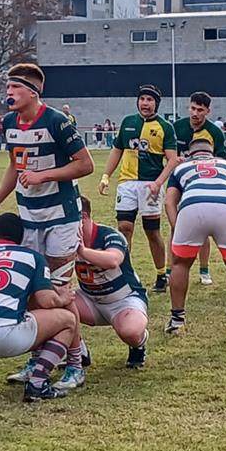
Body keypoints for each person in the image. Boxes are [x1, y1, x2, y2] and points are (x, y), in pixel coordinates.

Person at [0, 213, 82, 402]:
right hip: (6, 337)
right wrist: (63, 298)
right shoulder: (31, 256)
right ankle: (38, 383)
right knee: (68, 321)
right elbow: (46, 301)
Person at [0, 63, 95, 289]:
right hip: (28, 214)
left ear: (33, 92)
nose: (9, 92)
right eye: (7, 87)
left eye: (15, 86)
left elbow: (86, 165)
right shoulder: (8, 123)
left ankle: (67, 325)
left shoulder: (56, 121)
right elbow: (15, 166)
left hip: (61, 214)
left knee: (59, 286)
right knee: (34, 285)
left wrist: (43, 176)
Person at [163, 139, 226, 337]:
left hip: (192, 207)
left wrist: (176, 225)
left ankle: (176, 320)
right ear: (212, 153)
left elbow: (169, 201)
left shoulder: (182, 168)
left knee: (181, 264)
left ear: (191, 154)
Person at [98, 83, 179, 293]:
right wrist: (106, 176)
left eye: (150, 100)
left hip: (150, 184)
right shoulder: (128, 123)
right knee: (125, 228)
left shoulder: (165, 127)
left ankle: (161, 274)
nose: (145, 103)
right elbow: (117, 151)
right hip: (126, 184)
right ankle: (126, 274)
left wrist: (158, 183)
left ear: (156, 104)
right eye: (142, 99)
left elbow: (172, 160)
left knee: (152, 231)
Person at [72, 196, 151, 370]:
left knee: (130, 332)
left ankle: (138, 343)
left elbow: (113, 260)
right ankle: (78, 351)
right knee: (55, 303)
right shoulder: (65, 239)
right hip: (90, 299)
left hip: (123, 299)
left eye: (68, 218)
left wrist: (83, 251)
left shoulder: (110, 235)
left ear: (83, 217)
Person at [173, 91, 226, 286]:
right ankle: (173, 268)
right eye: (193, 108)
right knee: (176, 225)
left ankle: (204, 269)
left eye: (200, 110)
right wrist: (176, 161)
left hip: (204, 182)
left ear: (208, 111)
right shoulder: (177, 127)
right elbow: (169, 153)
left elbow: (223, 160)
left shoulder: (214, 132)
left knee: (202, 226)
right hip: (180, 181)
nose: (195, 113)